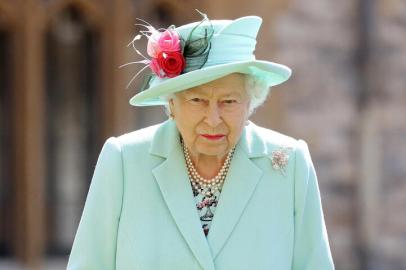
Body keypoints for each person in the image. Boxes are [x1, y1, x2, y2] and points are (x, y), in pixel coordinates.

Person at [67, 12, 334, 270]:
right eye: (198, 100)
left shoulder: (289, 164)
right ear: (172, 103)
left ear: (250, 101)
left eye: (229, 101)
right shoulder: (124, 161)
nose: (213, 118)